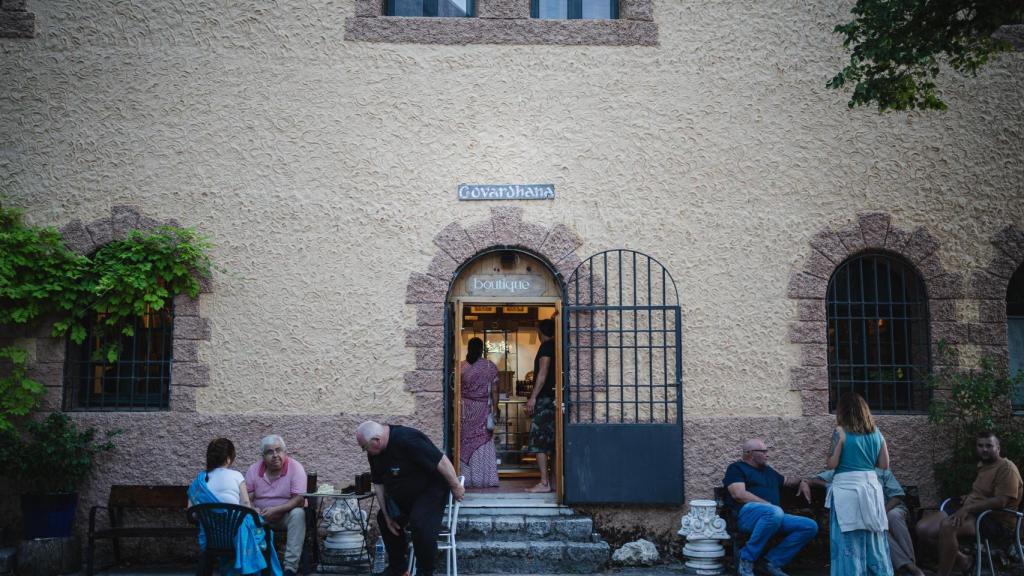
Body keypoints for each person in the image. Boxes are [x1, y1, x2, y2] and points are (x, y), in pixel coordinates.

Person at [356, 421, 465, 576]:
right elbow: (379, 483)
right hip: (405, 496)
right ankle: (398, 569)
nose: (364, 451)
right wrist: (387, 515)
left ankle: (425, 572)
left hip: (431, 490)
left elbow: (441, 460)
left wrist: (455, 486)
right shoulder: (374, 453)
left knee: (419, 522)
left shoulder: (407, 439)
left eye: (364, 447)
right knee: (383, 518)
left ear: (377, 440)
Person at [916, 430, 1023, 576]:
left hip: (994, 520)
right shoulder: (984, 465)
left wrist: (968, 507)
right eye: (980, 445)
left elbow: (1001, 501)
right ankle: (963, 560)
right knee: (923, 528)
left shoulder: (1006, 468)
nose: (984, 449)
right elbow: (984, 492)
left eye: (989, 446)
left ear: (998, 448)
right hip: (973, 511)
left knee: (948, 527)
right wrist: (968, 498)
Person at [723, 438, 817, 576]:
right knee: (774, 512)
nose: (767, 454)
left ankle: (772, 562)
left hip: (773, 517)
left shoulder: (768, 471)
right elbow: (739, 494)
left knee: (809, 526)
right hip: (747, 517)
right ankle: (746, 558)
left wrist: (803, 481)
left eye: (767, 451)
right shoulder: (736, 468)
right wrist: (769, 506)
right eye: (763, 451)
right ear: (749, 453)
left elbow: (788, 481)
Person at [188, 438, 282, 576]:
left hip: (211, 538)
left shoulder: (199, 482)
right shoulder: (236, 476)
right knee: (265, 530)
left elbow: (192, 513)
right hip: (236, 537)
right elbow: (245, 505)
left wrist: (210, 517)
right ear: (228, 459)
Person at [825, 392, 892, 576]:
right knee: (874, 540)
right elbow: (884, 465)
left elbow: (832, 464)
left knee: (847, 542)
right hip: (871, 488)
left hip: (847, 490)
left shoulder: (840, 432)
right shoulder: (876, 432)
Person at [812, 467, 923, 576]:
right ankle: (909, 567)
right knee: (877, 526)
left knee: (893, 516)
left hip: (890, 508)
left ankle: (909, 563)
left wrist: (882, 512)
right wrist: (829, 485)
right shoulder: (842, 471)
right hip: (867, 515)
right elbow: (814, 480)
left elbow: (896, 496)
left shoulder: (883, 473)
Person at [245, 435, 307, 576]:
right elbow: (246, 497)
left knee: (298, 514)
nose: (275, 455)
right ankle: (253, 567)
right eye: (269, 452)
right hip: (261, 517)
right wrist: (253, 508)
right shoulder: (253, 470)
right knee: (245, 517)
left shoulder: (296, 468)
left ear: (285, 452)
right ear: (262, 456)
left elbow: (298, 499)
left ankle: (290, 568)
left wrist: (276, 510)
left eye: (278, 450)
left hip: (285, 515)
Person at [460, 337, 499, 488]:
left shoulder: (461, 367)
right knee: (483, 441)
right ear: (482, 349)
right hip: (482, 409)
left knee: (465, 441)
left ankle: (467, 479)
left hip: (465, 410)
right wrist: (495, 410)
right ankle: (484, 478)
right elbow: (495, 390)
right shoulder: (489, 366)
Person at [524, 318, 556, 493]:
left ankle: (544, 483)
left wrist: (533, 397)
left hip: (544, 400)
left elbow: (542, 374)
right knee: (550, 441)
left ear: (540, 332)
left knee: (539, 441)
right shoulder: (557, 346)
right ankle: (551, 480)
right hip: (553, 399)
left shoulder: (546, 347)